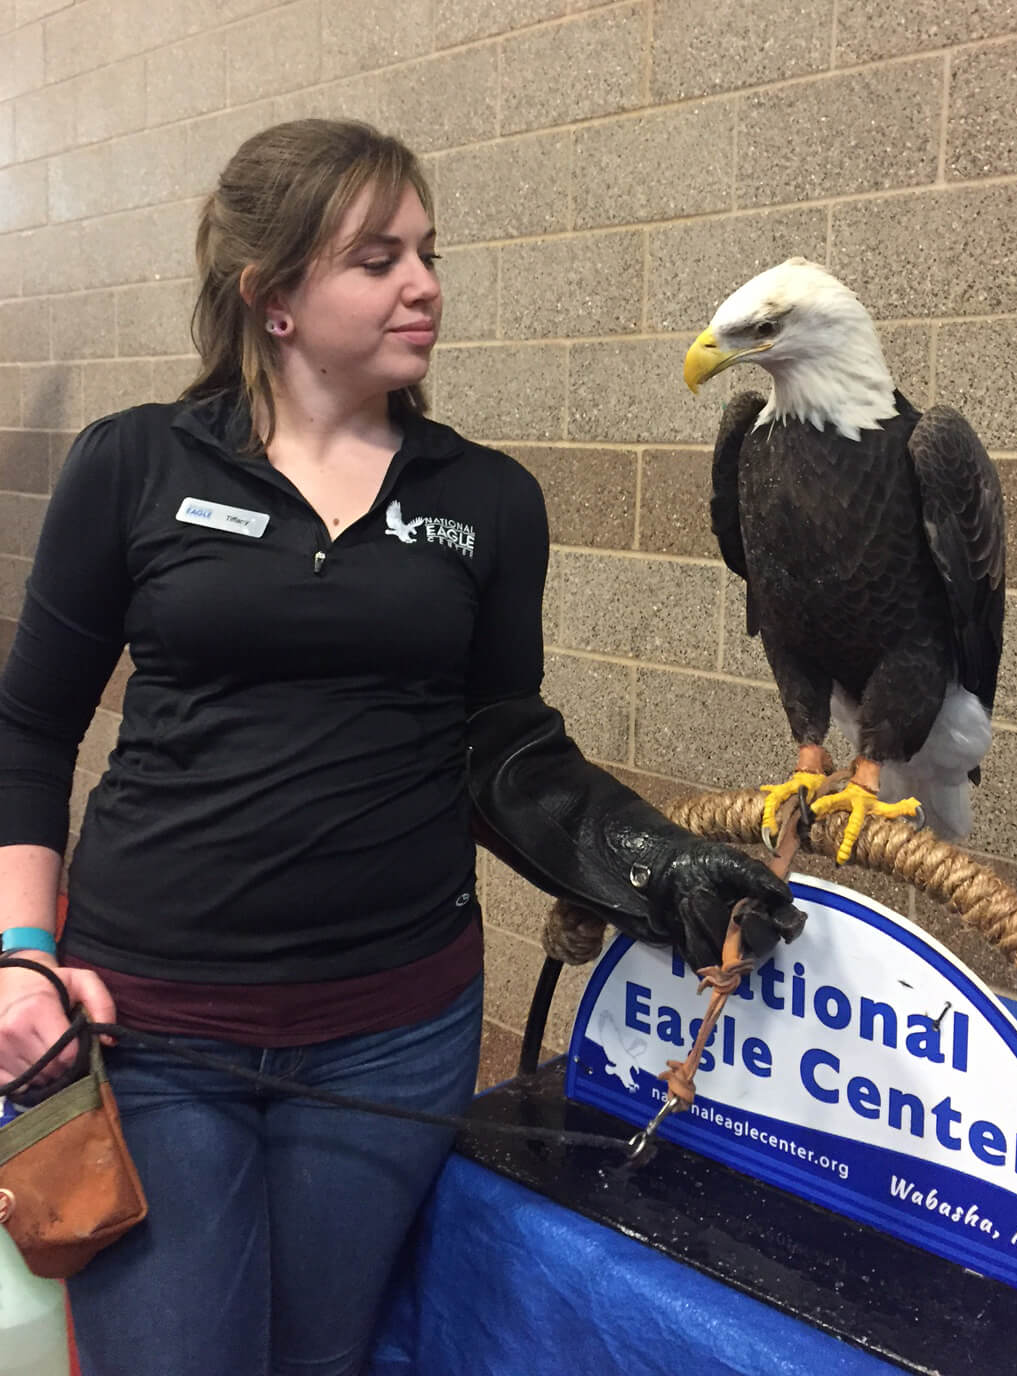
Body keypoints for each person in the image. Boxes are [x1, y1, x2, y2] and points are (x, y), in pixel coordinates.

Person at [0, 120, 800, 1376]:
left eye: (426, 251)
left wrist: (649, 862)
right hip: (153, 1026)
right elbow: (30, 728)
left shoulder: (488, 498)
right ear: (272, 296)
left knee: (329, 1355)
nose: (424, 282)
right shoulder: (133, 463)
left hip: (394, 1027)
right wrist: (21, 956)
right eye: (377, 257)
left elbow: (499, 745)